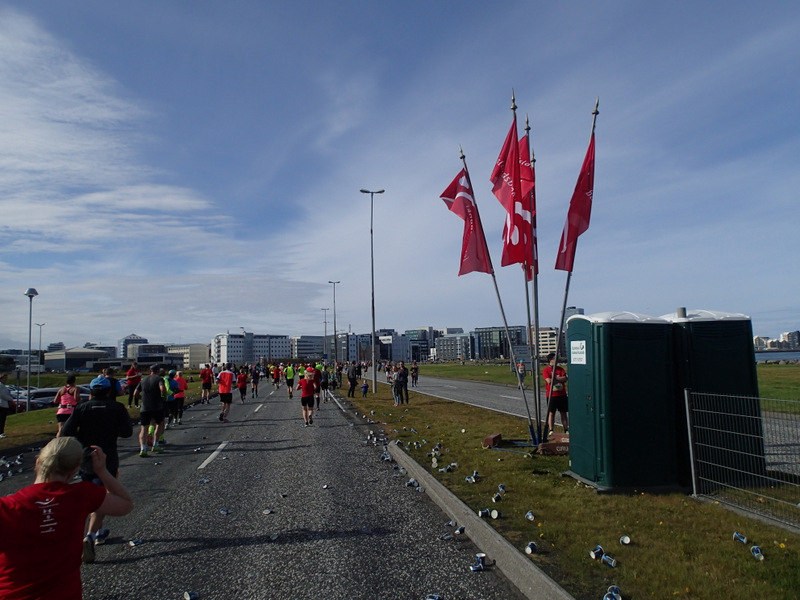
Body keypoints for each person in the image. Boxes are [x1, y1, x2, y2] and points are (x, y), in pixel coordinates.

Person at [0, 438, 133, 599]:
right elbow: (125, 504)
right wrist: (102, 471)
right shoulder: (81, 495)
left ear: (37, 463)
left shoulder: (6, 506)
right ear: (74, 471)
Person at [61, 375, 133, 562]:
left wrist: (83, 437)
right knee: (102, 496)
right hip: (107, 457)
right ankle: (91, 535)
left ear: (91, 392)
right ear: (109, 391)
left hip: (85, 457)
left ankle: (96, 531)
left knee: (90, 493)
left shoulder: (82, 408)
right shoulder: (117, 407)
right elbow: (127, 433)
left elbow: (66, 432)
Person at [134, 364, 167, 457]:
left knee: (144, 428)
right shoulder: (159, 379)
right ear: (158, 371)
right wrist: (164, 397)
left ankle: (143, 449)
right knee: (159, 424)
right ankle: (155, 444)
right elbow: (162, 389)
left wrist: (141, 398)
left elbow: (135, 393)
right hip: (157, 406)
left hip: (144, 407)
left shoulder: (143, 380)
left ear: (150, 371)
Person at [543, 352, 569, 437]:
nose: (556, 360)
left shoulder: (560, 369)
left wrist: (556, 379)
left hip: (562, 394)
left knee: (563, 412)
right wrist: (559, 379)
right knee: (551, 413)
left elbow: (565, 378)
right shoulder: (546, 370)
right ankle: (551, 430)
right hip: (551, 395)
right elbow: (549, 381)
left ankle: (566, 429)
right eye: (555, 359)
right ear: (550, 360)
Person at [0, 373, 12, 438]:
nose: (6, 380)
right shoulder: (0, 386)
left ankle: (1, 432)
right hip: (1, 404)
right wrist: (10, 399)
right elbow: (2, 395)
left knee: (3, 419)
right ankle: (1, 433)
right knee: (1, 419)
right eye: (5, 378)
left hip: (3, 404)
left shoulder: (3, 386)